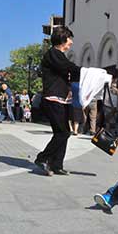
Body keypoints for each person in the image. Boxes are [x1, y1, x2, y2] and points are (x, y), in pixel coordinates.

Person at [34, 26, 81, 176]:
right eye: (69, 39)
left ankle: (57, 164)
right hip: (53, 99)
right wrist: (87, 71)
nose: (71, 42)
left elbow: (70, 72)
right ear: (62, 39)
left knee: (64, 132)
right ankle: (42, 158)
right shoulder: (53, 54)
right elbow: (69, 67)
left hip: (62, 100)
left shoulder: (59, 55)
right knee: (62, 133)